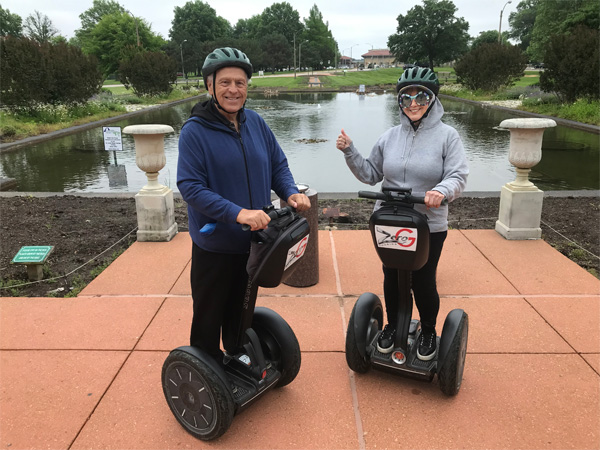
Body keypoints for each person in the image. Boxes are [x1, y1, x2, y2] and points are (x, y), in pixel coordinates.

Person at [177, 47, 310, 364]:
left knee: (242, 305)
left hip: (255, 240)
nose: (233, 90)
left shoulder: (257, 124)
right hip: (216, 243)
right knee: (210, 313)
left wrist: (289, 192)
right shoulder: (194, 132)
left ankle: (239, 355)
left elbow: (278, 164)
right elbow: (190, 187)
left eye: (240, 82)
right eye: (224, 82)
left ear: (248, 87)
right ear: (210, 85)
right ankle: (206, 367)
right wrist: (237, 213)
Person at [335, 67, 468, 361]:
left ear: (432, 99)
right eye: (405, 98)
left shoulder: (448, 136)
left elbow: (458, 175)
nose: (413, 103)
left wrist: (441, 191)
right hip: (390, 221)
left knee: (423, 279)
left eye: (421, 96)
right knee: (392, 275)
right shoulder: (389, 137)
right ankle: (393, 325)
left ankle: (429, 330)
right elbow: (370, 174)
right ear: (399, 102)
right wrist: (350, 151)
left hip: (428, 223)